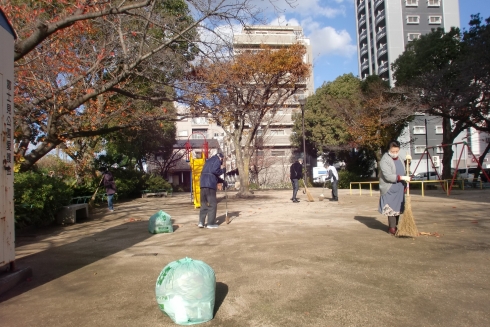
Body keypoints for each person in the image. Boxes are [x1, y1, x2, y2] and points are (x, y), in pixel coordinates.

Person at [378, 140, 411, 235]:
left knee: (398, 208)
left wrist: (408, 162)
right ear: (388, 150)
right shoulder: (385, 160)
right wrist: (401, 177)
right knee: (391, 208)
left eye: (397, 151)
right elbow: (388, 176)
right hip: (389, 187)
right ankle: (392, 228)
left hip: (400, 187)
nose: (395, 153)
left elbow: (406, 168)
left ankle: (395, 226)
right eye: (392, 151)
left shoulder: (400, 157)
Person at [198, 153, 226, 229]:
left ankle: (201, 222)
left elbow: (211, 174)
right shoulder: (217, 160)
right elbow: (215, 171)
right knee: (212, 204)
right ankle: (210, 223)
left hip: (202, 184)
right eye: (222, 160)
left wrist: (222, 181)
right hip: (210, 185)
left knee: (203, 204)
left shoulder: (208, 162)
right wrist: (223, 170)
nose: (222, 162)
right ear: (220, 158)